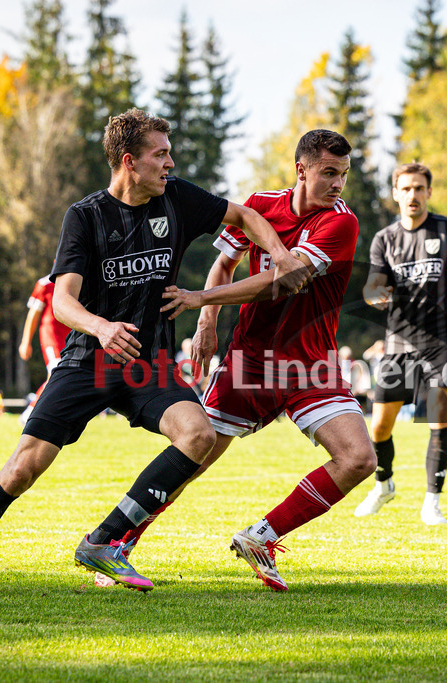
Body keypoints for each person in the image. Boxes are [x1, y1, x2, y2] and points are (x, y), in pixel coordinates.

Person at [0, 108, 308, 599]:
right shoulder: (85, 216)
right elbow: (62, 300)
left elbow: (245, 216)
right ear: (129, 161)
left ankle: (104, 541)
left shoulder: (177, 198)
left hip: (149, 364)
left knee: (198, 434)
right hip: (89, 361)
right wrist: (101, 327)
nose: (170, 163)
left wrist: (282, 256)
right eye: (160, 154)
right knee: (21, 469)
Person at [143, 129, 370, 592]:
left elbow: (280, 282)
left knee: (358, 458)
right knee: (192, 458)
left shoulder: (340, 224)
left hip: (310, 364)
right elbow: (224, 263)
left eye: (343, 175)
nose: (338, 184)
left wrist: (199, 297)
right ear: (301, 170)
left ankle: (261, 537)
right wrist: (207, 321)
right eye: (329, 173)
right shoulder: (260, 205)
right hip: (250, 360)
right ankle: (117, 542)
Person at [353, 162, 447, 524]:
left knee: (437, 419)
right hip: (398, 343)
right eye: (405, 188)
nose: (412, 194)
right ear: (395, 194)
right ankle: (384, 485)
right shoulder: (384, 239)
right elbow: (373, 286)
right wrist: (375, 295)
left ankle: (432, 501)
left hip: (442, 342)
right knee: (379, 427)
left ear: (429, 192)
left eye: (418, 188)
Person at [18, 273, 73, 423]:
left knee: (66, 376)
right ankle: (31, 412)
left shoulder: (78, 281)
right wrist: (26, 341)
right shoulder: (45, 284)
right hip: (51, 336)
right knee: (56, 372)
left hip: (70, 336)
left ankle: (50, 414)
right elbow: (33, 314)